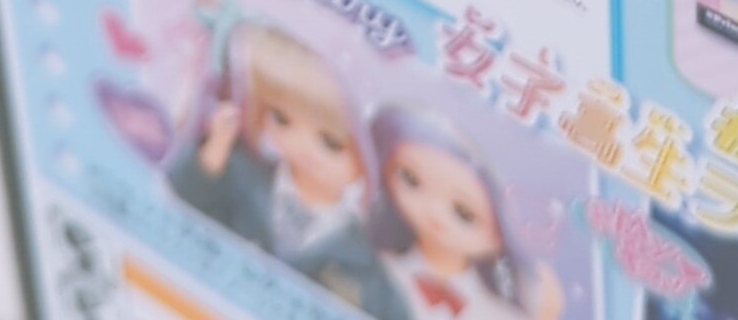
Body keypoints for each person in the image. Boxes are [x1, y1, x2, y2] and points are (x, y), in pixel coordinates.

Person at [168, 21, 390, 311]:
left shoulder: (361, 253)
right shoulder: (244, 175)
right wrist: (214, 152)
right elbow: (183, 200)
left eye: (332, 143)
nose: (304, 148)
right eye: (281, 118)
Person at [361, 103, 564, 320]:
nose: (434, 212)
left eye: (464, 214)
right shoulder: (378, 262)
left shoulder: (498, 307)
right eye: (411, 179)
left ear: (501, 233)